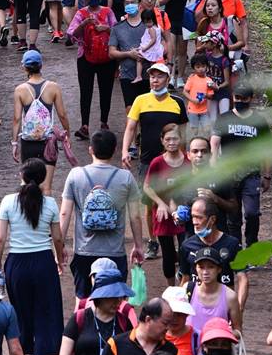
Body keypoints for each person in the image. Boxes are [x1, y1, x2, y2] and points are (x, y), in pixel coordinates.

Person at [0, 159, 64, 355]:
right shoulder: (50, 203)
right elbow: (58, 238)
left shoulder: (8, 201)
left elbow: (0, 239)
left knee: (20, 317)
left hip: (17, 265)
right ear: (43, 179)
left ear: (22, 176)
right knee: (45, 315)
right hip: (44, 263)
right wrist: (59, 259)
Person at [60, 128, 145, 298]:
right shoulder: (126, 177)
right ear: (114, 150)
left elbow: (64, 214)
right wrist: (138, 246)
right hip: (115, 251)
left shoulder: (76, 175)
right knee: (115, 301)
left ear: (90, 149)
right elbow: (135, 216)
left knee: (83, 301)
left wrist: (60, 245)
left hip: (84, 250)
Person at [123, 63, 188, 259]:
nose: (155, 80)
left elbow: (184, 132)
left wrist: (186, 157)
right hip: (148, 158)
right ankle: (153, 241)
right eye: (152, 76)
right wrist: (125, 150)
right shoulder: (141, 100)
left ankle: (178, 240)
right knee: (149, 202)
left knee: (177, 198)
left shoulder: (177, 102)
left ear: (167, 80)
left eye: (159, 76)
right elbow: (131, 127)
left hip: (174, 160)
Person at [211, 84, 272, 254]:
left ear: (251, 98)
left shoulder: (259, 121)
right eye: (237, 98)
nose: (240, 101)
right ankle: (236, 250)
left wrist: (267, 175)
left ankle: (252, 246)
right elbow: (214, 141)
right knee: (233, 215)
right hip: (228, 172)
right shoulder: (224, 118)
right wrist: (213, 163)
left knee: (252, 213)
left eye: (244, 98)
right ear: (233, 97)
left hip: (251, 173)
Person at [12, 50, 70, 194]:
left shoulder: (20, 90)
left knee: (27, 185)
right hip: (48, 142)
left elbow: (17, 119)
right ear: (41, 65)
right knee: (46, 187)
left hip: (28, 142)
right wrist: (66, 134)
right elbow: (62, 114)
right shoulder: (53, 87)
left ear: (24, 67)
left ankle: (27, 208)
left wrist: (14, 143)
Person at [66, 0, 118, 137]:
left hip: (106, 57)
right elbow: (71, 35)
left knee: (106, 90)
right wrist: (83, 24)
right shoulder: (81, 13)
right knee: (85, 91)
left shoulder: (108, 12)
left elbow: (118, 32)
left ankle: (104, 121)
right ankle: (84, 125)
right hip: (85, 57)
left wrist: (106, 29)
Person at [142, 124, 190, 284]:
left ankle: (184, 288)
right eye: (168, 139)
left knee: (186, 251)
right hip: (163, 214)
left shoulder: (189, 161)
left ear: (181, 139)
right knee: (168, 255)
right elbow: (147, 187)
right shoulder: (157, 162)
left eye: (175, 139)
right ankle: (171, 289)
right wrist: (160, 203)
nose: (171, 142)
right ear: (162, 140)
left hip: (185, 214)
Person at [178, 199, 245, 306]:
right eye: (193, 217)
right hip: (195, 307)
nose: (194, 222)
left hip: (224, 305)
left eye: (199, 217)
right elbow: (185, 279)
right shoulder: (187, 246)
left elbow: (243, 278)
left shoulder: (232, 244)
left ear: (212, 219)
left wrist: (239, 308)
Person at [187, 247, 242, 341]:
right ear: (196, 269)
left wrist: (220, 334)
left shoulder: (230, 296)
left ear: (219, 269)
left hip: (216, 348)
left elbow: (238, 331)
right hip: (189, 347)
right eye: (201, 267)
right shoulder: (187, 290)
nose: (205, 272)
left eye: (211, 267)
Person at [158, 0, 196, 88]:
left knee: (182, 50)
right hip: (170, 20)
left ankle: (180, 77)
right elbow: (160, 1)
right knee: (172, 49)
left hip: (185, 20)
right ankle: (171, 76)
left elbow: (194, 2)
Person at [162, 286, 199, 355]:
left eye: (179, 314)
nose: (174, 319)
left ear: (186, 314)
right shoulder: (156, 335)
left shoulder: (197, 338)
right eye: (171, 314)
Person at [183, 53, 215, 142]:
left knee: (207, 129)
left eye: (203, 66)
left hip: (204, 110)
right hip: (192, 110)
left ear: (207, 67)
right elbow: (185, 91)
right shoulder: (192, 79)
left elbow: (211, 96)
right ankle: (194, 145)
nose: (201, 69)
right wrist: (193, 100)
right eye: (198, 67)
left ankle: (207, 144)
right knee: (194, 130)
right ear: (194, 68)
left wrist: (205, 95)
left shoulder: (209, 81)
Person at [134, 9, 165, 83]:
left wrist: (145, 48)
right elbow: (162, 32)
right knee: (152, 65)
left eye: (149, 22)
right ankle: (153, 78)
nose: (147, 24)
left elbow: (153, 40)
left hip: (149, 49)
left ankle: (139, 76)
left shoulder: (151, 29)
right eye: (145, 23)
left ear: (153, 19)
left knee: (139, 60)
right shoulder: (158, 27)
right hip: (155, 49)